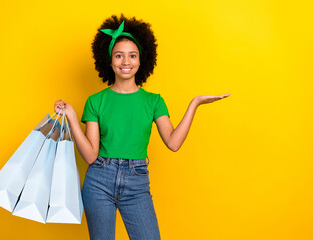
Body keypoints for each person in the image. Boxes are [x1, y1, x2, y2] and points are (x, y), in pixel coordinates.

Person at [54, 14, 230, 240]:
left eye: (132, 55)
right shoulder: (95, 101)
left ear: (141, 60)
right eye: (119, 55)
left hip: (136, 183)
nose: (125, 62)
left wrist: (194, 104)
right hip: (99, 181)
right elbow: (90, 155)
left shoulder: (154, 101)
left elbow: (174, 143)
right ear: (109, 60)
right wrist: (70, 115)